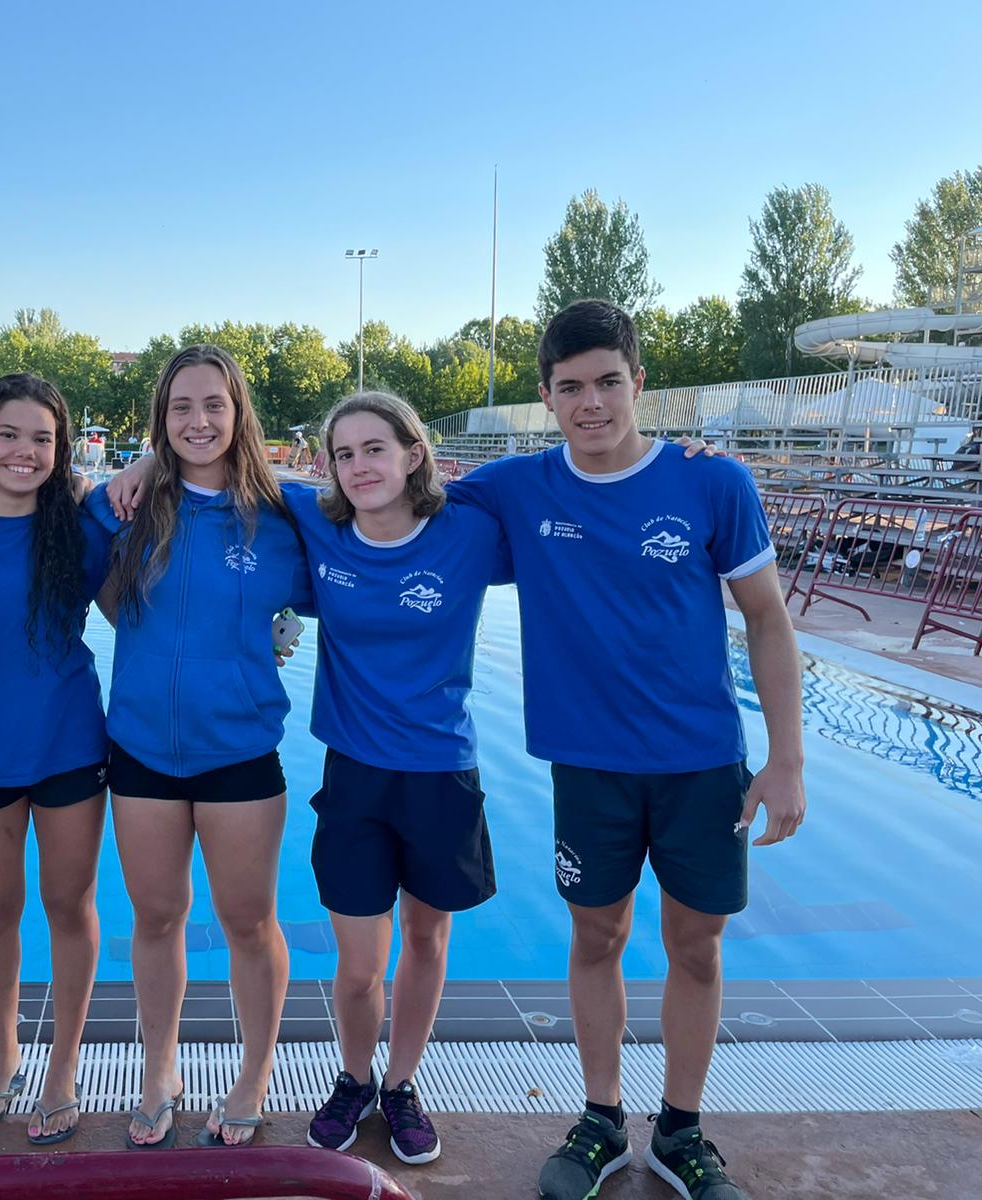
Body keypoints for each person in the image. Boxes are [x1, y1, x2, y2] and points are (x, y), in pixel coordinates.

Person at [453, 300, 804, 1200]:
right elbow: (380, 488)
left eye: (609, 382)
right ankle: (603, 1119)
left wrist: (787, 759)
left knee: (696, 946)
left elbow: (768, 619)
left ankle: (680, 1131)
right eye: (571, 387)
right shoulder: (518, 488)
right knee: (597, 935)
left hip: (700, 763)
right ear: (546, 396)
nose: (592, 404)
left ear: (639, 382)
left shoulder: (713, 483)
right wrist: (157, 460)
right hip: (590, 766)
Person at [86, 344, 310, 1151]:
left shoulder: (287, 515)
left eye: (214, 404)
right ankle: (160, 1072)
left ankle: (255, 1073)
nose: (199, 420)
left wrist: (278, 627)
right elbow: (87, 579)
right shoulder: (126, 507)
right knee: (155, 918)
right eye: (181, 406)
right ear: (161, 418)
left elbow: (360, 567)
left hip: (240, 752)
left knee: (250, 923)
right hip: (142, 749)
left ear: (238, 411)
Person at [284, 391, 509, 1166]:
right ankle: (353, 1078)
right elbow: (224, 474)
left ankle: (402, 1084)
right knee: (357, 965)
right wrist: (142, 465)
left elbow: (567, 485)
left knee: (425, 939)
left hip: (441, 772)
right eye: (343, 454)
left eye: (374, 449)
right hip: (354, 775)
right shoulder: (319, 523)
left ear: (414, 454)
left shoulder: (469, 532)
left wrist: (680, 460)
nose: (358, 467)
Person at [0, 374, 113, 1145]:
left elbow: (142, 608)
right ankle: (5, 1052)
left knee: (69, 906)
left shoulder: (81, 524)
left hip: (68, 741)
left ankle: (63, 1065)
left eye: (42, 438)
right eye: (8, 434)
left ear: (60, 449)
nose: (25, 451)